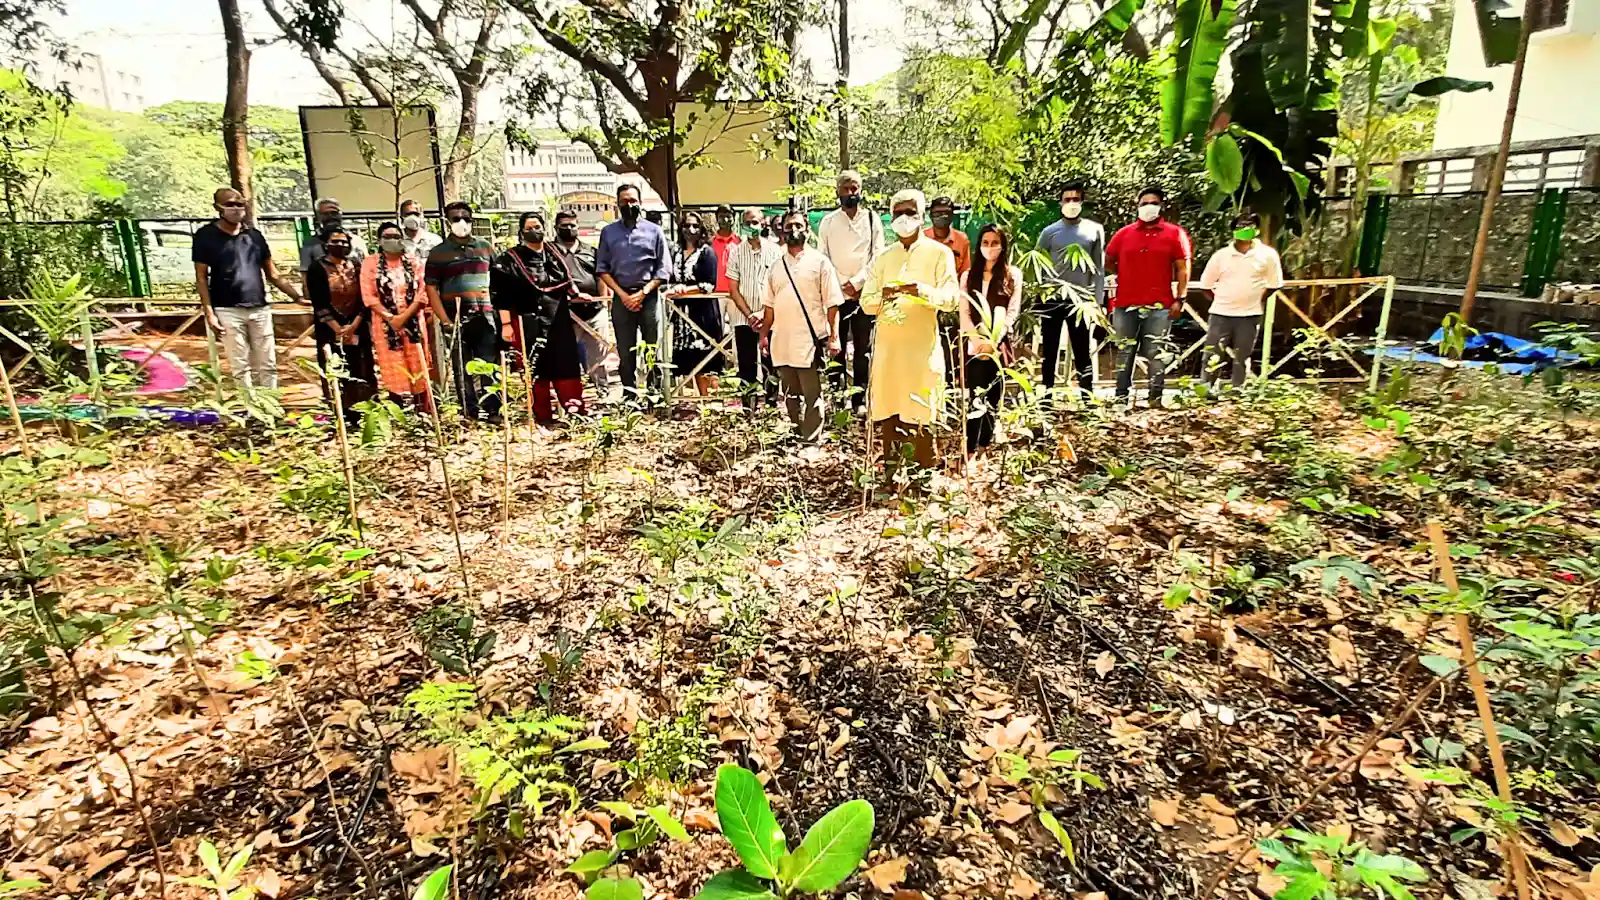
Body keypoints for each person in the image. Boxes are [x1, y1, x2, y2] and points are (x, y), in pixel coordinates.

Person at [861, 189, 959, 469]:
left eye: (910, 212)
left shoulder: (939, 253)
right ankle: (892, 476)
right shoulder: (882, 258)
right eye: (898, 213)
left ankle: (923, 480)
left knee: (921, 413)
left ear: (921, 216)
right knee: (889, 413)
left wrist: (922, 292)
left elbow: (951, 299)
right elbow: (867, 303)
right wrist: (887, 296)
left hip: (920, 351)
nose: (904, 218)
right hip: (888, 352)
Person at [192, 187, 305, 391]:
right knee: (239, 363)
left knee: (268, 362)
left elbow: (273, 274)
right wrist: (209, 313)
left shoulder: (254, 236)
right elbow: (201, 277)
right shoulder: (205, 236)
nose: (236, 208)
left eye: (240, 204)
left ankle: (272, 405)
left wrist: (297, 296)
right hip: (227, 309)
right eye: (230, 204)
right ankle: (250, 408)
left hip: (259, 308)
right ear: (217, 207)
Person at [493, 212, 586, 425]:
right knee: (535, 368)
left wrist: (577, 294)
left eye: (538, 226)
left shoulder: (554, 253)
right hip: (528, 321)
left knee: (566, 366)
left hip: (558, 321)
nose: (535, 231)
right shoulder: (509, 260)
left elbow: (567, 281)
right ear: (522, 231)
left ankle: (574, 414)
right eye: (530, 227)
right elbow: (501, 296)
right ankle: (543, 417)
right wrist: (507, 324)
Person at [1104, 185, 1192, 408]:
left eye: (1153, 203)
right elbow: (1108, 260)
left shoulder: (1174, 234)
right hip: (1126, 303)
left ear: (1161, 206)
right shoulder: (1124, 234)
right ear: (1137, 206)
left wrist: (1180, 297)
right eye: (1144, 203)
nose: (1148, 207)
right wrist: (1126, 273)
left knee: (1156, 352)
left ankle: (1155, 399)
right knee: (1125, 350)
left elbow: (1183, 267)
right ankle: (1121, 398)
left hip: (1160, 304)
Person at [760, 211, 844, 442]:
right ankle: (797, 431)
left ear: (807, 230)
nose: (793, 230)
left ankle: (812, 438)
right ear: (782, 231)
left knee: (812, 394)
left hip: (809, 340)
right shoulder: (776, 267)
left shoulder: (820, 263)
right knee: (790, 395)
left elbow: (833, 303)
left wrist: (834, 336)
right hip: (782, 341)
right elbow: (769, 306)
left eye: (798, 225)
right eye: (789, 226)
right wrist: (764, 335)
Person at [596, 184, 672, 402]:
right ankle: (629, 396)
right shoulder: (608, 232)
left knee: (652, 348)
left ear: (640, 202)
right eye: (624, 201)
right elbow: (602, 268)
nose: (629, 205)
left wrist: (643, 292)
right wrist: (623, 295)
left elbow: (664, 268)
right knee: (625, 350)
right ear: (617, 204)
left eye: (633, 201)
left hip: (649, 296)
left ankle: (654, 395)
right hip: (621, 298)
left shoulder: (654, 231)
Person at [426, 201, 500, 422]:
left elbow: (498, 278)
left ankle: (494, 410)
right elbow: (431, 287)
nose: (461, 222)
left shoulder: (485, 246)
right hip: (455, 317)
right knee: (461, 366)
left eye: (465, 218)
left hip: (485, 316)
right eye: (456, 218)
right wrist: (445, 320)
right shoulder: (438, 253)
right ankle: (470, 412)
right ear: (447, 221)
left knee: (489, 364)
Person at [817, 170, 885, 410]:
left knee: (862, 349)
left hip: (864, 294)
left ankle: (860, 400)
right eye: (846, 188)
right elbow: (822, 257)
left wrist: (857, 282)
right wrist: (840, 282)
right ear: (838, 191)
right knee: (836, 346)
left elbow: (878, 254)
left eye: (854, 188)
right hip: (835, 295)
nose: (850, 193)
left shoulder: (872, 219)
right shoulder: (828, 222)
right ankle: (836, 400)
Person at [1035, 180, 1106, 401]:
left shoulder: (1094, 230)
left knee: (1082, 350)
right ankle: (1046, 397)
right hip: (1052, 299)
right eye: (1067, 199)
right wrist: (1039, 295)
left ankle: (1087, 397)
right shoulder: (1049, 232)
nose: (1071, 203)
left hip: (1081, 301)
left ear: (1082, 202)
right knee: (1050, 351)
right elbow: (1037, 263)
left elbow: (1099, 269)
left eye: (1076, 199)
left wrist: (1098, 302)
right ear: (1060, 202)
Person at [362, 222, 445, 411]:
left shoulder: (414, 261)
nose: (392, 240)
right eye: (387, 237)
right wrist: (391, 318)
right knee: (392, 364)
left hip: (414, 320)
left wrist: (404, 317)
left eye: (396, 236)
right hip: (384, 324)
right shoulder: (370, 263)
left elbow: (423, 292)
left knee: (418, 362)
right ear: (379, 240)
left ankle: (422, 409)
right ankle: (399, 409)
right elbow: (369, 296)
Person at [1198, 211, 1283, 390]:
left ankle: (1238, 391)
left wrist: (1255, 299)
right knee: (1212, 354)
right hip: (1220, 314)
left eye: (1249, 226)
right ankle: (1206, 389)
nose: (1244, 229)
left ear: (1257, 230)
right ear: (1233, 230)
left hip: (1250, 314)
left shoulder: (1267, 255)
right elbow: (1206, 285)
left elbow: (1275, 284)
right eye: (1240, 226)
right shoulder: (1221, 256)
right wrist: (1222, 299)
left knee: (1243, 356)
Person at [960, 225, 1022, 455]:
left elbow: (1012, 311)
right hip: (974, 344)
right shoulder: (969, 276)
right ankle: (969, 447)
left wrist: (995, 339)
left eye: (995, 243)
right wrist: (976, 340)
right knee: (975, 394)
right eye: (985, 243)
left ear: (1003, 245)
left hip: (999, 344)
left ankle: (985, 443)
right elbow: (964, 312)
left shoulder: (1012, 275)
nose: (990, 248)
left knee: (994, 396)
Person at [305, 224, 375, 422]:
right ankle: (341, 414)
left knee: (361, 367)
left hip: (357, 325)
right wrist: (337, 328)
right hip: (329, 328)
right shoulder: (317, 268)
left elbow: (364, 297)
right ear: (326, 244)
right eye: (335, 242)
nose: (340, 245)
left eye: (344, 242)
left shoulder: (356, 266)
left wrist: (354, 324)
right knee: (336, 367)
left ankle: (365, 411)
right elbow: (318, 302)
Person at [551, 209, 614, 401]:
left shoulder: (590, 251)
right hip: (565, 313)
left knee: (600, 355)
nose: (569, 229)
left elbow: (600, 276)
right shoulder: (550, 252)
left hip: (594, 311)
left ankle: (603, 393)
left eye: (572, 225)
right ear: (556, 228)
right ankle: (570, 398)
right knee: (565, 356)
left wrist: (603, 303)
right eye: (564, 226)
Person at [726, 207, 782, 407]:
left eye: (756, 222)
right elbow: (733, 289)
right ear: (742, 225)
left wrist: (763, 313)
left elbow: (779, 285)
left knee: (771, 363)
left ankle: (771, 405)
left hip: (770, 317)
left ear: (763, 224)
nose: (752, 227)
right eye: (748, 223)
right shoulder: (735, 252)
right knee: (746, 364)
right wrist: (750, 314)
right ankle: (748, 407)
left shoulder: (775, 251)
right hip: (744, 318)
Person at [665, 211, 724, 396]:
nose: (691, 230)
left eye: (695, 226)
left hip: (703, 313)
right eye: (687, 226)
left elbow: (709, 284)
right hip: (682, 313)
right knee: (687, 356)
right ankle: (689, 401)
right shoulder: (675, 251)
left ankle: (708, 400)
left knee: (705, 356)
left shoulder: (706, 252)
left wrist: (683, 290)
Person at [299, 197, 368, 271]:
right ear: (318, 217)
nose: (331, 217)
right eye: (325, 214)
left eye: (334, 213)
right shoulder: (310, 244)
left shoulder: (356, 240)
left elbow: (369, 268)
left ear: (340, 214)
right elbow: (305, 274)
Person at [924, 196, 971, 275]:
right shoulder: (922, 238)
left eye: (946, 213)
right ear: (930, 216)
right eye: (938, 213)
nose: (942, 216)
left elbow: (965, 272)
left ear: (952, 215)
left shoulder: (962, 239)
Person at [710, 204, 741, 296]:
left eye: (728, 216)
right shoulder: (710, 243)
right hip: (714, 293)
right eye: (721, 217)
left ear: (734, 219)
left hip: (736, 294)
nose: (725, 220)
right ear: (717, 219)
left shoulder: (740, 242)